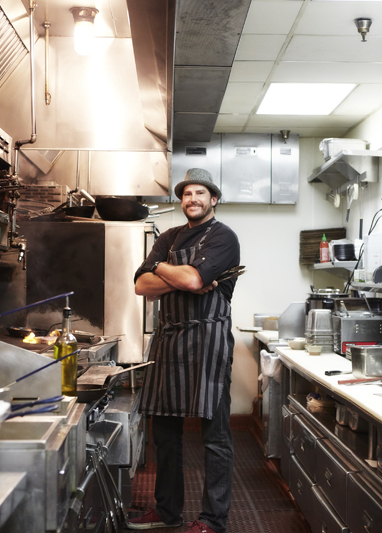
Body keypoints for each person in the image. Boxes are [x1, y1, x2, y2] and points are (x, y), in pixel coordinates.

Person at [128, 168, 241, 533]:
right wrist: (177, 273)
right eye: (187, 194)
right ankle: (167, 511)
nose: (193, 199)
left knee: (215, 437)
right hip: (170, 341)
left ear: (213, 199)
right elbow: (141, 286)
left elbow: (193, 280)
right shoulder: (170, 237)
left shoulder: (223, 236)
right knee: (164, 433)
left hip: (208, 343)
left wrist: (162, 268)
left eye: (200, 193)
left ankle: (213, 520)